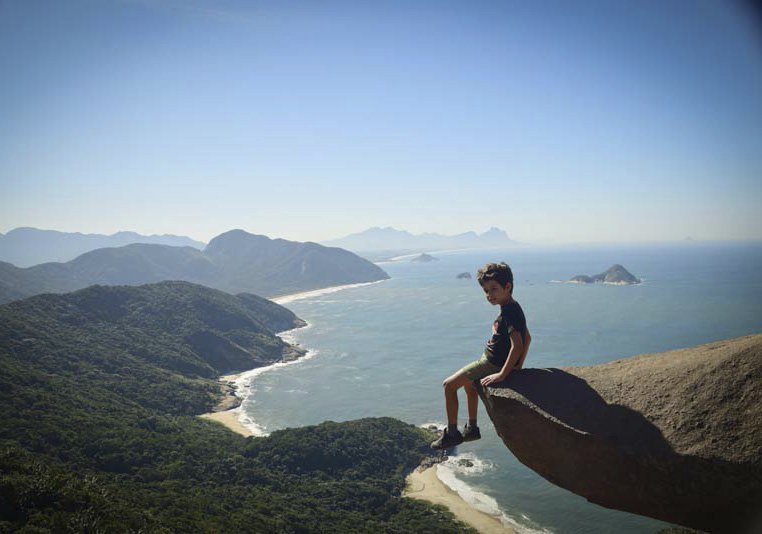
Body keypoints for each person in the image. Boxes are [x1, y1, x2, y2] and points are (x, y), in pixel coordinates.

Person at [431, 262, 531, 449]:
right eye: (486, 291)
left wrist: (503, 374)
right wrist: (518, 366)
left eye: (494, 289)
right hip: (491, 362)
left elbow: (517, 345)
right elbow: (528, 338)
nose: (489, 295)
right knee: (470, 383)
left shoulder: (509, 312)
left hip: (491, 363)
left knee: (448, 386)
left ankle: (452, 433)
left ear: (507, 287)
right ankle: (472, 428)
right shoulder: (513, 307)